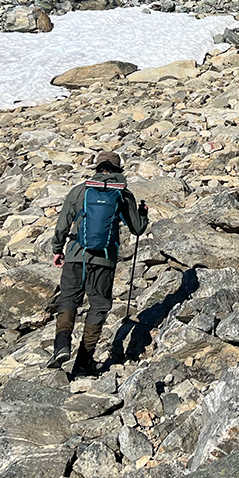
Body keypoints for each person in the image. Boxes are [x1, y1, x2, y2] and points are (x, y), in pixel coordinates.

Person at [48, 150, 148, 375]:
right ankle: (83, 361)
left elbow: (62, 224)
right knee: (99, 305)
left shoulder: (79, 191)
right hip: (104, 259)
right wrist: (143, 214)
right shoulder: (123, 193)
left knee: (68, 300)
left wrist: (57, 249)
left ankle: (61, 346)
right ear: (118, 169)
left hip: (75, 254)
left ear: (97, 167)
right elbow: (138, 228)